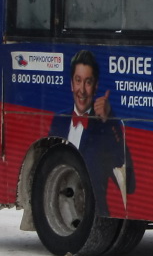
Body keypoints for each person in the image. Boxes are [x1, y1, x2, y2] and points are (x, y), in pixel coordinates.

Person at [48, 49, 135, 217]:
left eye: (88, 82)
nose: (82, 90)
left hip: (96, 218)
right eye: (78, 81)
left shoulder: (106, 127)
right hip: (64, 212)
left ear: (95, 87)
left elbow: (129, 185)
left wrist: (110, 119)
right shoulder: (59, 120)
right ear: (71, 84)